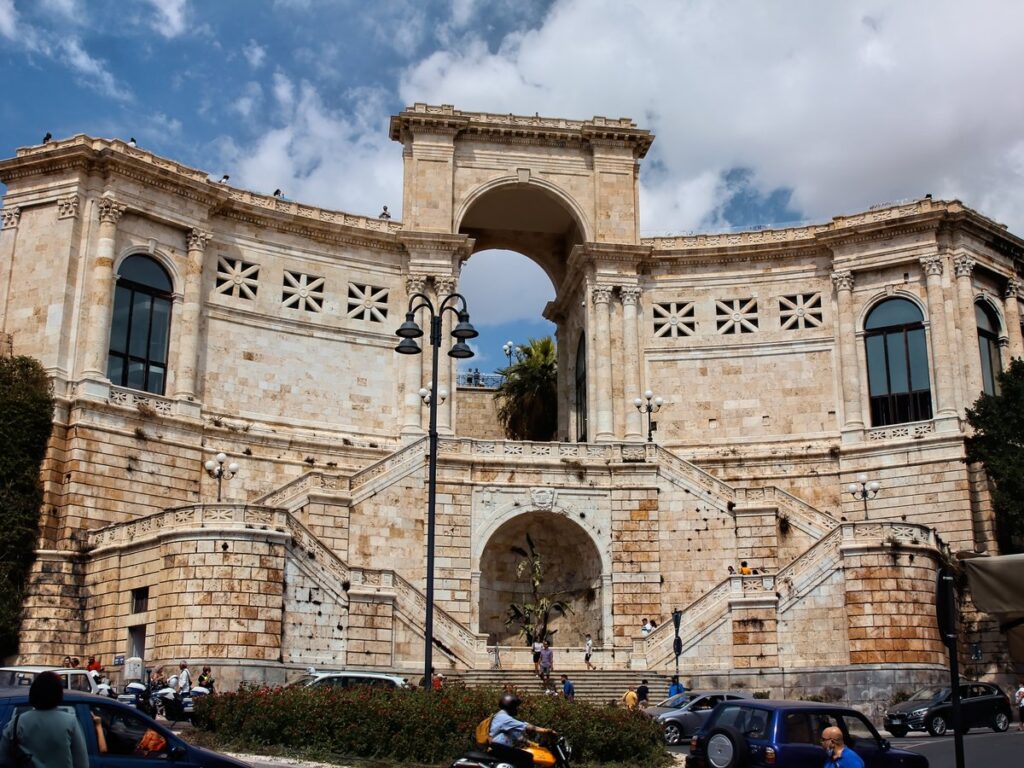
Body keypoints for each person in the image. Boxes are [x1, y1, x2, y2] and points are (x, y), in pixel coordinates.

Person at [0, 671, 88, 768]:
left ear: (33, 693)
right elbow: (82, 763)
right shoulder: (71, 722)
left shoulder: (16, 723)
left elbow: (3, 760)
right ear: (58, 694)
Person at [488, 693, 554, 768]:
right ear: (510, 706)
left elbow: (518, 737)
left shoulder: (504, 717)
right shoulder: (504, 717)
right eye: (515, 707)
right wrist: (546, 731)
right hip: (498, 749)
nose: (517, 709)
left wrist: (534, 744)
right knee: (528, 756)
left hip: (500, 748)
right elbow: (526, 726)